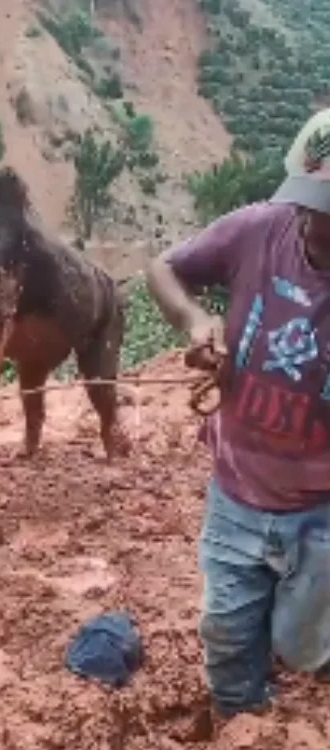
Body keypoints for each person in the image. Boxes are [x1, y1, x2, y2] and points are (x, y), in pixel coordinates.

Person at [146, 109, 330, 719]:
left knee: (301, 646)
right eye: (316, 207)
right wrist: (197, 323)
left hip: (322, 505)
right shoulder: (257, 230)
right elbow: (165, 268)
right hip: (238, 489)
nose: (320, 226)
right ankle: (240, 723)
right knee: (226, 636)